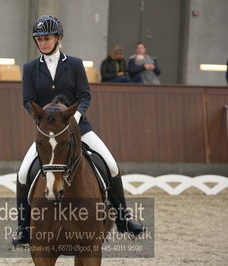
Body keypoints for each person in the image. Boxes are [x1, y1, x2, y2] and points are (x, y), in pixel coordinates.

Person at [12, 16, 146, 246]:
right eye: (39, 39)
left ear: (58, 38)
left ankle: (124, 219)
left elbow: (85, 95)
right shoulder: (31, 68)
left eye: (47, 38)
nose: (43, 43)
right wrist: (41, 120)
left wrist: (74, 117)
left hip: (79, 127)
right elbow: (28, 101)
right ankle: (24, 228)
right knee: (23, 173)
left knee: (111, 165)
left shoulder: (74, 64)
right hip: (48, 134)